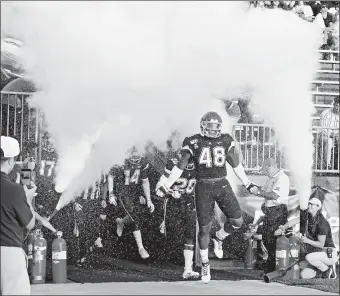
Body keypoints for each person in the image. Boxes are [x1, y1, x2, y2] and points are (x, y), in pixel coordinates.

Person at [156, 111, 259, 283]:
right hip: (203, 186)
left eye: (216, 126)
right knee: (203, 228)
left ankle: (219, 237)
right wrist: (166, 184)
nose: (213, 130)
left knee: (238, 221)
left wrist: (248, 183)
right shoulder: (193, 141)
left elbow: (236, 164)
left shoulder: (226, 140)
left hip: (222, 184)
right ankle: (205, 263)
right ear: (203, 125)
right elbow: (181, 165)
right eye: (210, 126)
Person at [1, 136, 37, 295]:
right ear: (10, 161)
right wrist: (27, 199)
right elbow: (30, 224)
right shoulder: (14, 190)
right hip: (8, 254)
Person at [156, 152, 199, 280]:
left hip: (190, 205)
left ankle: (188, 269)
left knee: (190, 234)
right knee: (173, 236)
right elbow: (158, 188)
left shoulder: (200, 166)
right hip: (173, 205)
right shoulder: (172, 163)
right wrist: (170, 191)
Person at [109, 147, 155, 259]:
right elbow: (111, 176)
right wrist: (111, 193)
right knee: (134, 218)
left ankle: (122, 222)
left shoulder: (143, 162)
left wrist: (148, 199)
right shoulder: (121, 160)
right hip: (123, 191)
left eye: (137, 155)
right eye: (133, 155)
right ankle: (141, 247)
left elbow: (145, 181)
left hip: (135, 191)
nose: (135, 159)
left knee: (139, 215)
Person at [251, 158, 290, 274]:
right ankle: (269, 266)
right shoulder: (271, 179)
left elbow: (273, 195)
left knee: (273, 239)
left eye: (266, 169)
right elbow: (263, 191)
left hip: (278, 212)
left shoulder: (282, 178)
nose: (265, 172)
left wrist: (257, 192)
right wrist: (250, 187)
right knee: (267, 239)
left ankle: (272, 268)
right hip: (270, 212)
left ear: (272, 166)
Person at [301, 197, 338, 279]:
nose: (309, 205)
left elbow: (321, 244)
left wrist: (307, 240)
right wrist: (283, 227)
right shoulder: (310, 218)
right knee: (304, 275)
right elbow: (297, 220)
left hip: (329, 254)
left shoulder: (322, 223)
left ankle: (327, 269)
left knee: (308, 257)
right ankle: (323, 271)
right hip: (320, 253)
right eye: (309, 204)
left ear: (318, 207)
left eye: (312, 204)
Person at [319, 96, 339, 170]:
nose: (338, 108)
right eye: (337, 106)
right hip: (326, 135)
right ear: (334, 105)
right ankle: (327, 165)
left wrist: (337, 135)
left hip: (337, 136)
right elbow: (323, 130)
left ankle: (338, 166)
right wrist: (332, 135)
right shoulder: (325, 113)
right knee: (329, 142)